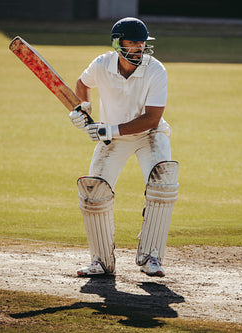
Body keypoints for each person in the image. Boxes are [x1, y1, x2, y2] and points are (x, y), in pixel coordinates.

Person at [69, 17, 179, 278]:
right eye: (133, 42)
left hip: (150, 135)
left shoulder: (156, 70)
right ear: (118, 44)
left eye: (142, 42)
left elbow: (151, 118)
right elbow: (82, 85)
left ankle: (151, 257)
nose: (139, 47)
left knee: (162, 185)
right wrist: (83, 110)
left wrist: (110, 129)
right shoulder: (102, 64)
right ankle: (101, 261)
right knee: (94, 192)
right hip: (113, 137)